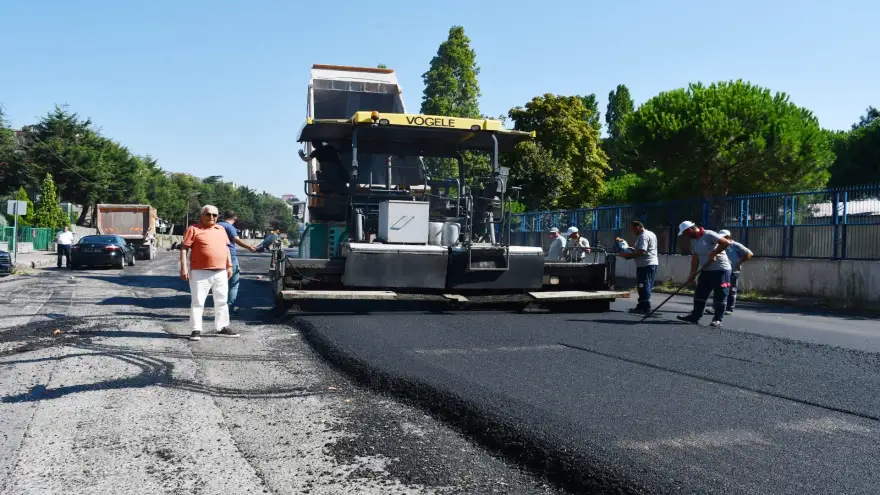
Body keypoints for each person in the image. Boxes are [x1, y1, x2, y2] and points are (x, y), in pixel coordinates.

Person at [180, 205, 237, 341]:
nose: (211, 217)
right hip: (200, 272)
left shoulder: (221, 229)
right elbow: (184, 249)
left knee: (222, 300)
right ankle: (196, 329)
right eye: (208, 214)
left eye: (214, 215)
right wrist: (184, 268)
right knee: (198, 301)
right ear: (202, 216)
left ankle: (222, 327)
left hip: (220, 271)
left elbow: (226, 249)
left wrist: (229, 266)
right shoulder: (193, 229)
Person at [676, 221, 733, 328]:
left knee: (720, 295)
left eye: (685, 234)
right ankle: (695, 317)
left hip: (721, 269)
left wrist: (713, 253)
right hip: (706, 270)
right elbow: (695, 258)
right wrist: (692, 274)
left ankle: (717, 319)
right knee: (700, 294)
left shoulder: (709, 234)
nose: (686, 236)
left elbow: (726, 243)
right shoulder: (694, 242)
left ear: (690, 230)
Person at [704, 230, 753, 315]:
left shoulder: (735, 245)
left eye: (724, 237)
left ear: (729, 237)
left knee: (731, 290)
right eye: (721, 236)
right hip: (721, 270)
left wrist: (739, 263)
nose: (722, 238)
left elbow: (749, 253)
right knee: (719, 289)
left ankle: (729, 308)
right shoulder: (718, 245)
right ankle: (716, 308)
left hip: (733, 271)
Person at [218, 210, 257, 315]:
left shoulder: (217, 225)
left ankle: (219, 307)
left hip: (216, 257)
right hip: (229, 257)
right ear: (235, 219)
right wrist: (249, 247)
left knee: (220, 283)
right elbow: (236, 240)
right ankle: (230, 307)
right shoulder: (230, 227)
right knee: (234, 284)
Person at [618, 221, 659, 314]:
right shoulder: (650, 233)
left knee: (643, 285)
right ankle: (641, 305)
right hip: (649, 264)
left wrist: (627, 255)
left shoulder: (643, 236)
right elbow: (643, 249)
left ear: (638, 227)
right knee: (645, 285)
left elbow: (641, 252)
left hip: (646, 264)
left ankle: (645, 307)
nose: (632, 231)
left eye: (632, 229)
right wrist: (632, 249)